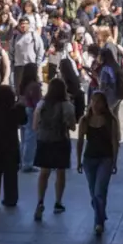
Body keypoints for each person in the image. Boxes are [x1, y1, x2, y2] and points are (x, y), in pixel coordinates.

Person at [76, 92, 120, 235]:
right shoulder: (85, 120)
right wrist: (78, 160)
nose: (95, 104)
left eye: (98, 101)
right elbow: (80, 141)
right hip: (89, 159)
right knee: (93, 192)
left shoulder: (110, 120)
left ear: (104, 104)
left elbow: (115, 141)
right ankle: (101, 213)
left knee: (99, 191)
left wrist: (114, 160)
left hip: (105, 158)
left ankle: (98, 222)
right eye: (93, 101)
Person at [33, 78, 77, 221]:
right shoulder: (67, 105)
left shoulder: (41, 104)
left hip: (44, 140)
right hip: (60, 141)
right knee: (60, 172)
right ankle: (58, 202)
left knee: (44, 173)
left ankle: (40, 201)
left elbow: (34, 126)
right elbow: (72, 126)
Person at [0, 85, 27, 209]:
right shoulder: (15, 111)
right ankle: (11, 199)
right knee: (11, 175)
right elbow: (24, 121)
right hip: (11, 146)